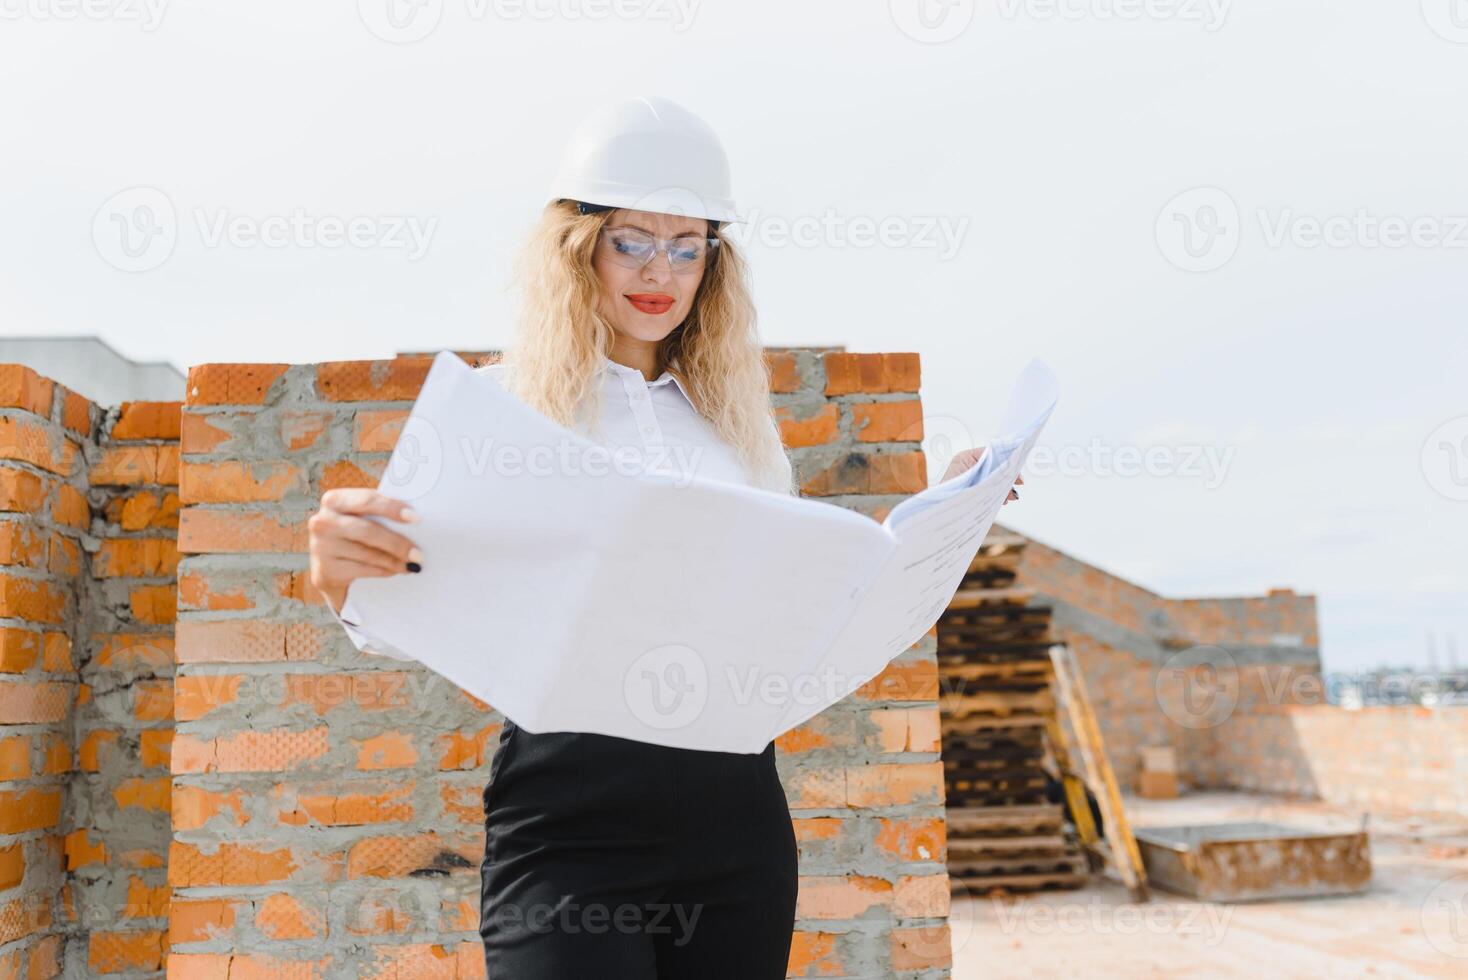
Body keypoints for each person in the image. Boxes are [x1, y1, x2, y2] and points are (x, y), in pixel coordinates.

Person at [306, 95, 1019, 979]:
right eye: (632, 240)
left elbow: (800, 611)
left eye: (689, 247)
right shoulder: (500, 409)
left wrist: (935, 521)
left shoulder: (737, 432)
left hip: (736, 822)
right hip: (572, 821)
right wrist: (343, 574)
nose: (661, 271)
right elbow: (397, 603)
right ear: (579, 247)